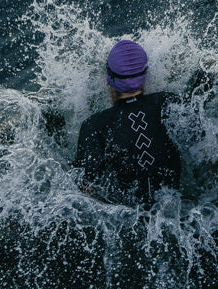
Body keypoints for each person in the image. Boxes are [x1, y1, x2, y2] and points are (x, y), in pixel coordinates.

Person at [75, 38, 182, 204]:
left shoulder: (94, 126)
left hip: (128, 220)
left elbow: (87, 190)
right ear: (145, 75)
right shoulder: (169, 102)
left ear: (108, 78)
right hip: (179, 209)